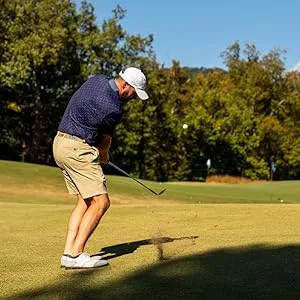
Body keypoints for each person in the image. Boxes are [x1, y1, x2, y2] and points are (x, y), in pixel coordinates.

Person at [52, 67, 149, 269]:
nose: (133, 98)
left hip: (60, 144)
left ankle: (69, 253)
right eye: (134, 93)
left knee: (85, 201)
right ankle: (76, 254)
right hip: (77, 149)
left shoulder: (96, 79)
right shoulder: (114, 108)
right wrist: (103, 155)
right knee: (101, 202)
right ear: (125, 85)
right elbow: (104, 143)